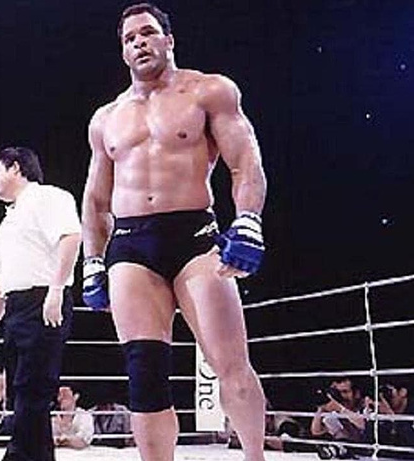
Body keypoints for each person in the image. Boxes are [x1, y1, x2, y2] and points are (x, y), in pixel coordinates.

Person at [80, 4, 268, 461]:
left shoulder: (209, 91)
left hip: (194, 236)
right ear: (123, 52)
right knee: (144, 375)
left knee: (231, 366)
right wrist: (92, 260)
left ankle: (255, 458)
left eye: (147, 33)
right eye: (129, 39)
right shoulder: (106, 118)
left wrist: (248, 220)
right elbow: (96, 200)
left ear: (168, 39)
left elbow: (245, 162)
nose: (139, 43)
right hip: (130, 246)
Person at [0, 146, 82, 461]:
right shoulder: (7, 223)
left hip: (43, 300)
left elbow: (71, 237)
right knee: (22, 390)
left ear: (15, 168)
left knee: (33, 386)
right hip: (16, 306)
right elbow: (3, 278)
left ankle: (17, 456)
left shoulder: (48, 197)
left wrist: (56, 290)